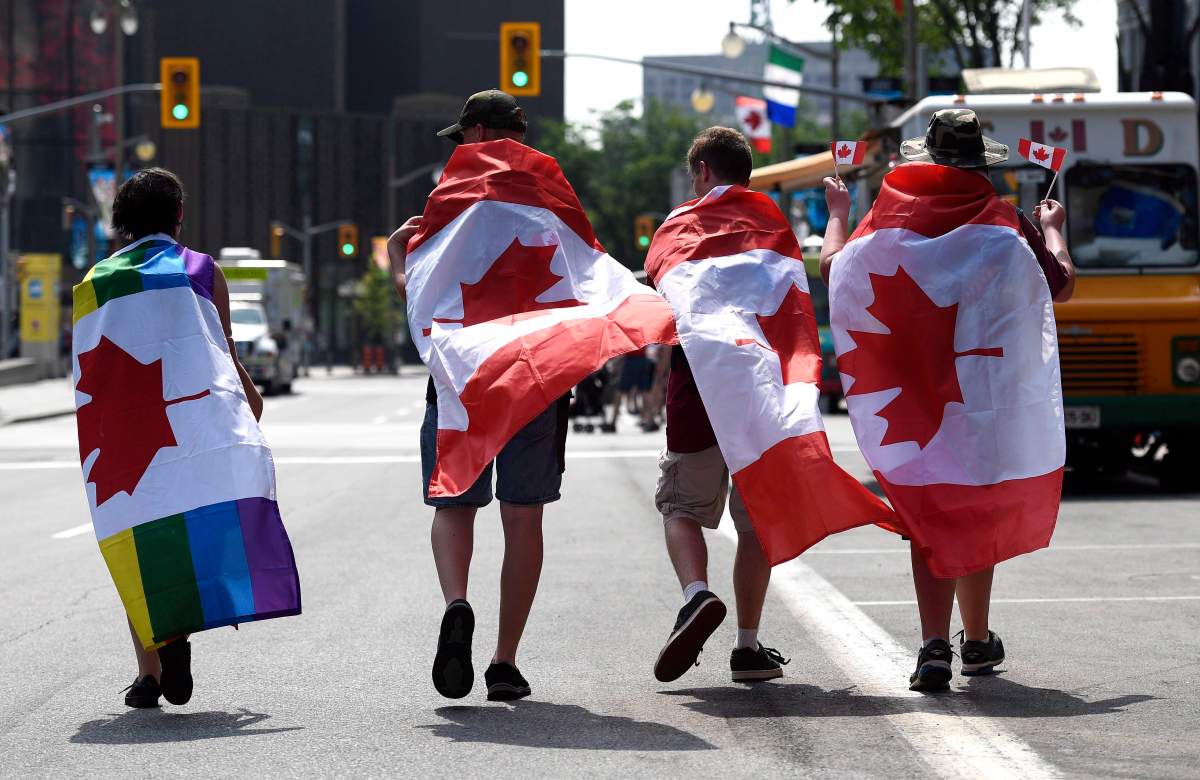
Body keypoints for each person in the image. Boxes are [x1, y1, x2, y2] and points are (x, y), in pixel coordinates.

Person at [820, 109, 1075, 691]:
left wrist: (838, 216)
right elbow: (1057, 284)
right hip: (982, 399)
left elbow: (836, 269)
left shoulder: (886, 217)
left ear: (927, 159)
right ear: (979, 162)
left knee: (927, 514)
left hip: (911, 398)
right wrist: (1054, 228)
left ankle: (935, 645)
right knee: (973, 509)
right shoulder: (1004, 221)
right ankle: (978, 642)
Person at [388, 90, 565, 702]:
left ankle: (457, 603)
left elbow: (424, 298)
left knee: (455, 503)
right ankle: (504, 661)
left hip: (464, 377)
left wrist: (394, 259)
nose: (458, 149)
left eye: (462, 137)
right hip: (536, 372)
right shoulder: (552, 192)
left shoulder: (451, 198)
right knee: (523, 516)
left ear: (480, 132)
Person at [101, 168, 266, 707]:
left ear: (123, 218)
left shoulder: (101, 278)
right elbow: (222, 349)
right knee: (196, 527)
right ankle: (182, 629)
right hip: (194, 422)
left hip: (134, 431)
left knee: (136, 533)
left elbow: (93, 370)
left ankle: (150, 670)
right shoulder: (201, 269)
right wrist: (248, 396)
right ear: (178, 215)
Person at [651, 127, 790, 684]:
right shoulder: (774, 224)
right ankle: (747, 647)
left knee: (681, 506)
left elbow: (666, 295)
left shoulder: (678, 226)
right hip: (760, 385)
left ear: (704, 170)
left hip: (699, 383)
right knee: (755, 524)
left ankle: (695, 595)